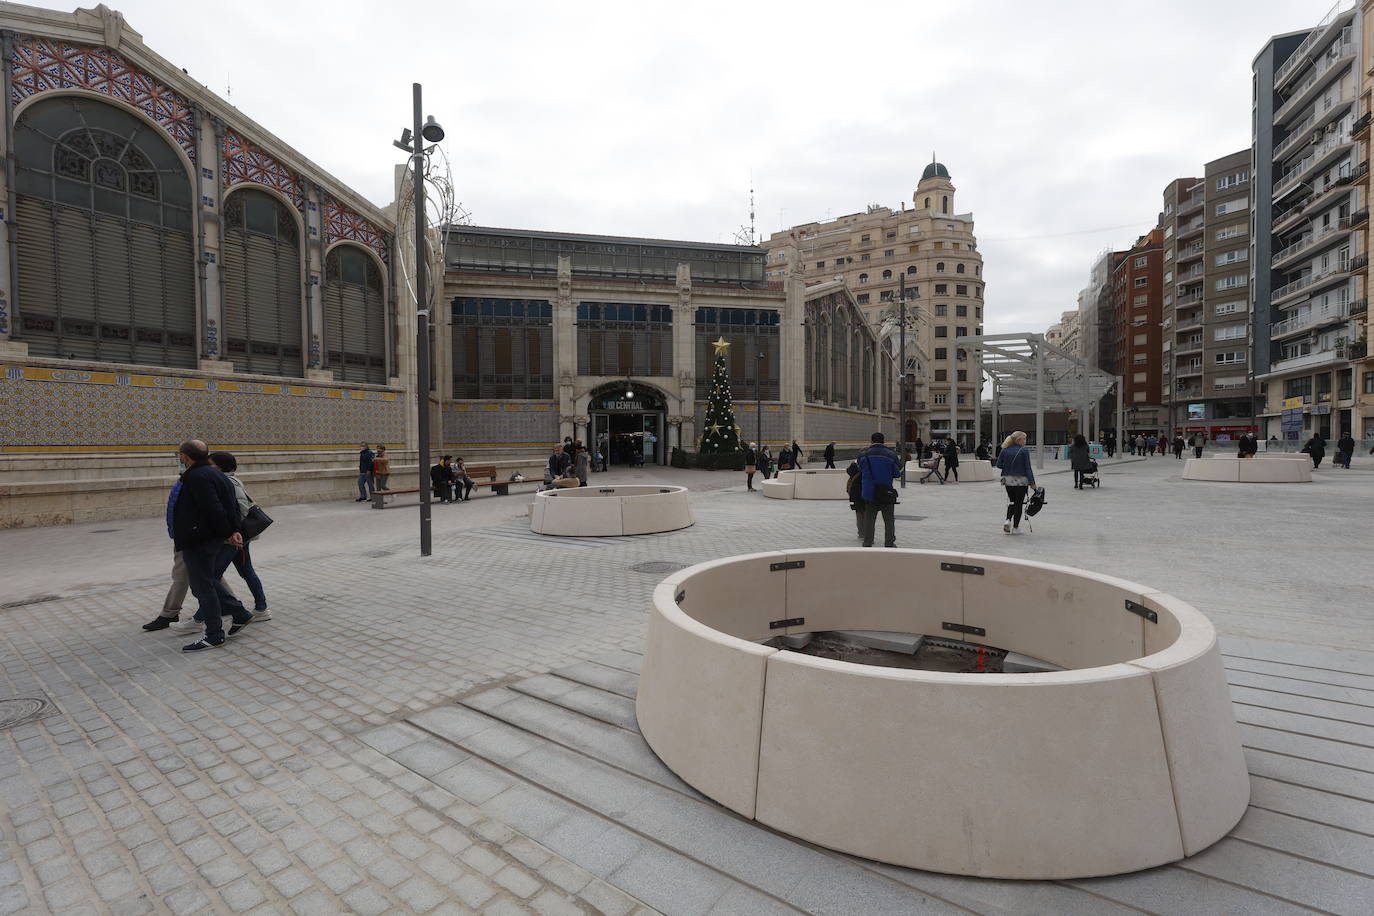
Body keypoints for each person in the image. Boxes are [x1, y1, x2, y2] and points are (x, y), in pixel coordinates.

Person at [172, 439, 254, 651]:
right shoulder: (216, 474)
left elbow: (214, 509)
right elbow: (232, 507)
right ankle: (240, 613)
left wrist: (229, 532)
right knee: (207, 580)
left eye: (179, 454)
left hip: (200, 540)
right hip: (209, 538)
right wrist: (233, 530)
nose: (179, 458)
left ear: (186, 456)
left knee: (203, 587)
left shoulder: (197, 477)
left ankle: (214, 634)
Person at [142, 468, 239, 632]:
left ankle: (171, 614)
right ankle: (234, 607)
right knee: (210, 576)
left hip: (193, 539)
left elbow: (216, 510)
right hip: (186, 537)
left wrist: (228, 533)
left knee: (185, 577)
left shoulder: (202, 480)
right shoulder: (187, 480)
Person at [208, 451, 270, 620]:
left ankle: (206, 614)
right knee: (245, 571)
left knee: (211, 576)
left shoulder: (229, 483)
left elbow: (241, 509)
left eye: (210, 464)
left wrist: (232, 532)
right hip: (236, 537)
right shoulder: (225, 480)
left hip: (233, 539)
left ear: (219, 466)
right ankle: (261, 607)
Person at [857, 433, 900, 548]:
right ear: (883, 441)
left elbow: (860, 470)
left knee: (870, 518)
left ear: (871, 441)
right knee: (889, 519)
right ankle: (889, 543)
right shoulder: (891, 455)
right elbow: (897, 473)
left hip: (869, 492)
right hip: (886, 492)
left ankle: (867, 542)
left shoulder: (863, 456)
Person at [996, 431, 1036, 535]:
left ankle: (1008, 520)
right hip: (1021, 481)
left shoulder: (1004, 450)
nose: (1025, 441)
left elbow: (999, 465)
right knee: (1019, 504)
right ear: (1018, 440)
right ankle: (1016, 528)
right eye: (1024, 439)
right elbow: (1028, 468)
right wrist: (1032, 483)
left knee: (1012, 501)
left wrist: (1008, 466)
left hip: (1007, 480)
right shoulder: (1024, 451)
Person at [845, 461, 866, 540]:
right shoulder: (862, 471)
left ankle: (861, 532)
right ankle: (866, 532)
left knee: (859, 515)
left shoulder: (853, 473)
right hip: (863, 494)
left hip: (855, 496)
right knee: (866, 514)